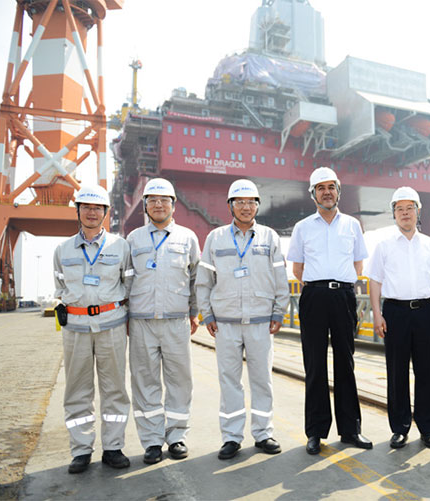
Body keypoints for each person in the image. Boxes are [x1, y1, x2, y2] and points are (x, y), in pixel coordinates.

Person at [197, 179, 289, 459]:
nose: (246, 207)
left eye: (251, 202)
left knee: (262, 380)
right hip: (225, 323)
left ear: (257, 206)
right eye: (240, 202)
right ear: (231, 206)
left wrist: (279, 310)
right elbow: (204, 280)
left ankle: (263, 433)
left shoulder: (269, 237)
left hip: (261, 321)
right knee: (229, 382)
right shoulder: (215, 238)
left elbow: (280, 278)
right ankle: (231, 437)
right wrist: (207, 313)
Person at [286, 167, 372, 455]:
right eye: (320, 188)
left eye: (331, 187)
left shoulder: (352, 225)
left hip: (343, 296)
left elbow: (358, 265)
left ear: (338, 191)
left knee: (345, 362)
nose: (326, 192)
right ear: (313, 194)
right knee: (315, 364)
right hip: (314, 296)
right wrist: (321, 284)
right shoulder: (302, 228)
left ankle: (350, 430)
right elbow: (297, 269)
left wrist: (339, 284)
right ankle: (315, 432)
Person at [52, 185, 133, 473]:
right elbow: (60, 286)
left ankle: (113, 447)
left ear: (105, 213)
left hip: (111, 326)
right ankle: (81, 450)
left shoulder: (120, 247)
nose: (91, 212)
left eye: (97, 208)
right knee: (77, 390)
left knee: (115, 389)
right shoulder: (62, 250)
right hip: (75, 329)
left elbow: (129, 284)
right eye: (86, 207)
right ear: (78, 211)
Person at [126, 178, 200, 464]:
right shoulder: (133, 240)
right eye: (153, 200)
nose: (158, 204)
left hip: (176, 321)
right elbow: (125, 281)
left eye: (164, 200)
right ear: (145, 205)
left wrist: (195, 312)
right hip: (141, 322)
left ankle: (177, 436)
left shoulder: (188, 238)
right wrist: (125, 316)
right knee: (144, 383)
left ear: (173, 205)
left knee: (180, 381)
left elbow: (196, 279)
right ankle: (152, 441)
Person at [366, 186, 430, 449]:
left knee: (426, 371)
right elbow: (375, 281)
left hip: (425, 312)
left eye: (409, 208)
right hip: (395, 312)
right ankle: (399, 428)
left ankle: (428, 428)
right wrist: (377, 315)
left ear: (418, 211)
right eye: (399, 209)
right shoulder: (384, 246)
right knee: (396, 372)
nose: (404, 213)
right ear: (393, 214)